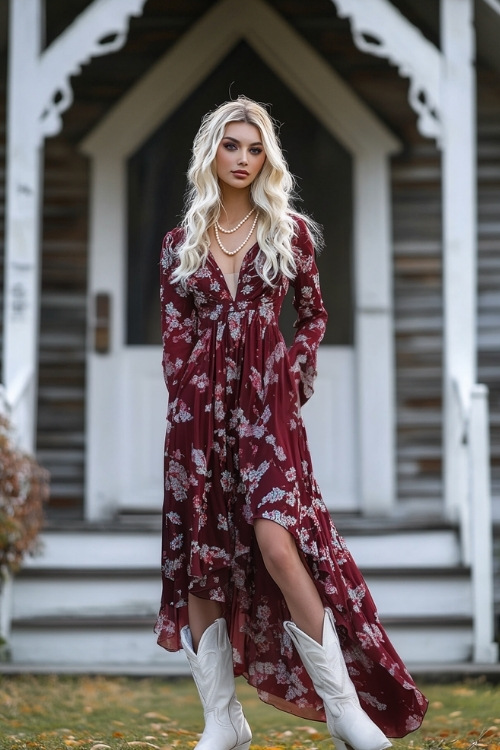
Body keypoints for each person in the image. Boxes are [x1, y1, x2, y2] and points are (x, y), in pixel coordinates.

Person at [155, 96, 427, 750]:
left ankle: (344, 711)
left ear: (266, 157)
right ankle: (223, 719)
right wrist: (189, 388)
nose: (243, 159)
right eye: (232, 146)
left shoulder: (290, 233)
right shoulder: (180, 244)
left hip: (268, 415)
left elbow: (312, 318)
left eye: (254, 148)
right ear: (211, 154)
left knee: (280, 544)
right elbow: (174, 336)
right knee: (202, 559)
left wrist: (290, 366)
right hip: (198, 421)